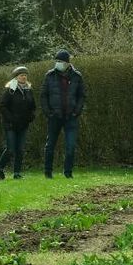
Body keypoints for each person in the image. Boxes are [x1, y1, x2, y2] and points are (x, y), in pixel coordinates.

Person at [41, 48, 86, 179]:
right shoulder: (49, 75)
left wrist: (77, 111)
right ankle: (48, 172)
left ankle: (68, 172)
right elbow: (43, 95)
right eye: (57, 61)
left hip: (70, 117)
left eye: (60, 61)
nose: (57, 63)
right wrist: (48, 112)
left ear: (67, 63)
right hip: (54, 116)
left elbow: (81, 96)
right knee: (50, 146)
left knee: (71, 146)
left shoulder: (77, 76)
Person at [0, 66, 35, 180]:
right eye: (21, 75)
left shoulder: (29, 90)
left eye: (25, 75)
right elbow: (2, 106)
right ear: (16, 77)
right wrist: (11, 119)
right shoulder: (10, 90)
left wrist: (31, 116)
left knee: (20, 149)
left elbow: (33, 106)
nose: (24, 77)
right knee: (10, 149)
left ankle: (17, 173)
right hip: (11, 125)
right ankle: (0, 169)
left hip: (23, 125)